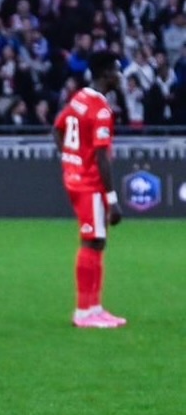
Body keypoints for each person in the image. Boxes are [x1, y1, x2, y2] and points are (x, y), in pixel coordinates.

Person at [53, 51, 126, 328]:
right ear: (106, 73)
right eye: (117, 70)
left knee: (97, 241)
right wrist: (113, 200)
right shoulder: (100, 109)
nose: (120, 75)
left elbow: (56, 129)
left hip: (76, 179)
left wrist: (69, 161)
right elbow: (101, 157)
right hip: (90, 184)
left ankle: (94, 307)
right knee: (92, 241)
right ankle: (84, 311)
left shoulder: (80, 98)